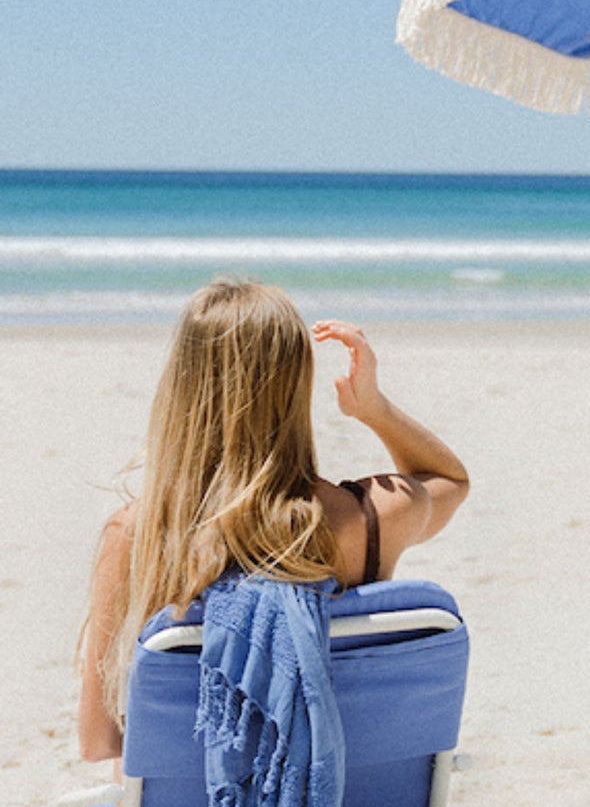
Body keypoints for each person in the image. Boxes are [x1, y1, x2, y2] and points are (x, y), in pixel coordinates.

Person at [77, 279, 469, 763]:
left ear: (183, 386)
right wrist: (374, 409)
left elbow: (99, 743)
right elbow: (450, 480)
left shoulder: (139, 533)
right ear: (297, 382)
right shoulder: (369, 520)